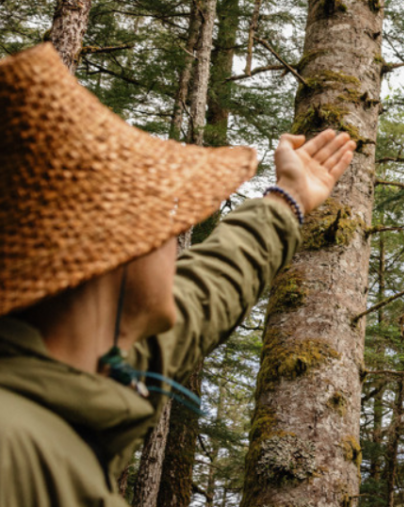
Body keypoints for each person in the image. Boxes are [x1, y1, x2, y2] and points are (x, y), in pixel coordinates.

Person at [0, 43, 356, 506]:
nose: (173, 239)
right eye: (161, 221)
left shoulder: (94, 365)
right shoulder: (13, 448)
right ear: (113, 255)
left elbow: (205, 289)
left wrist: (288, 199)